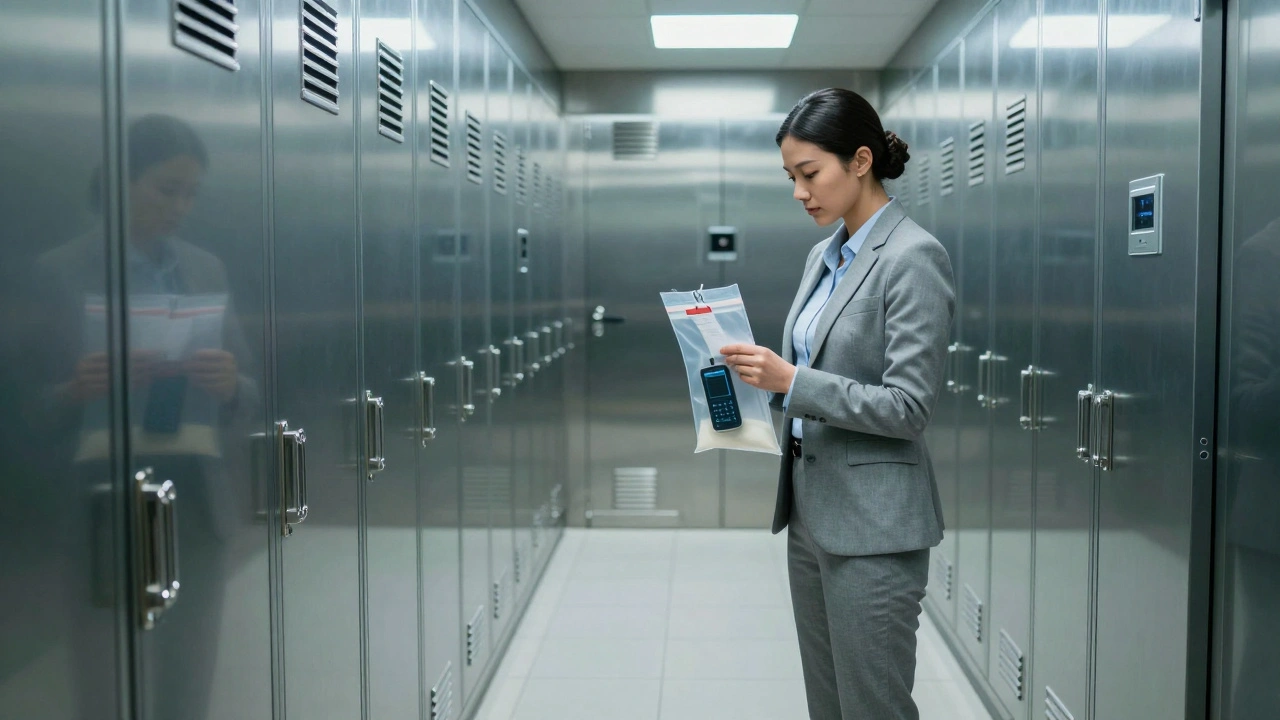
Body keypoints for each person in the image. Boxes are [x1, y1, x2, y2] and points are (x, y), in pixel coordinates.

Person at [721, 88, 956, 720]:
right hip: (811, 512)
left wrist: (791, 382)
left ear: (859, 161)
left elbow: (908, 407)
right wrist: (754, 380)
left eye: (809, 174)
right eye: (789, 177)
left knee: (873, 706)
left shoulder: (912, 257)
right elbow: (812, 374)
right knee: (827, 704)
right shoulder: (823, 257)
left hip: (876, 527)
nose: (799, 192)